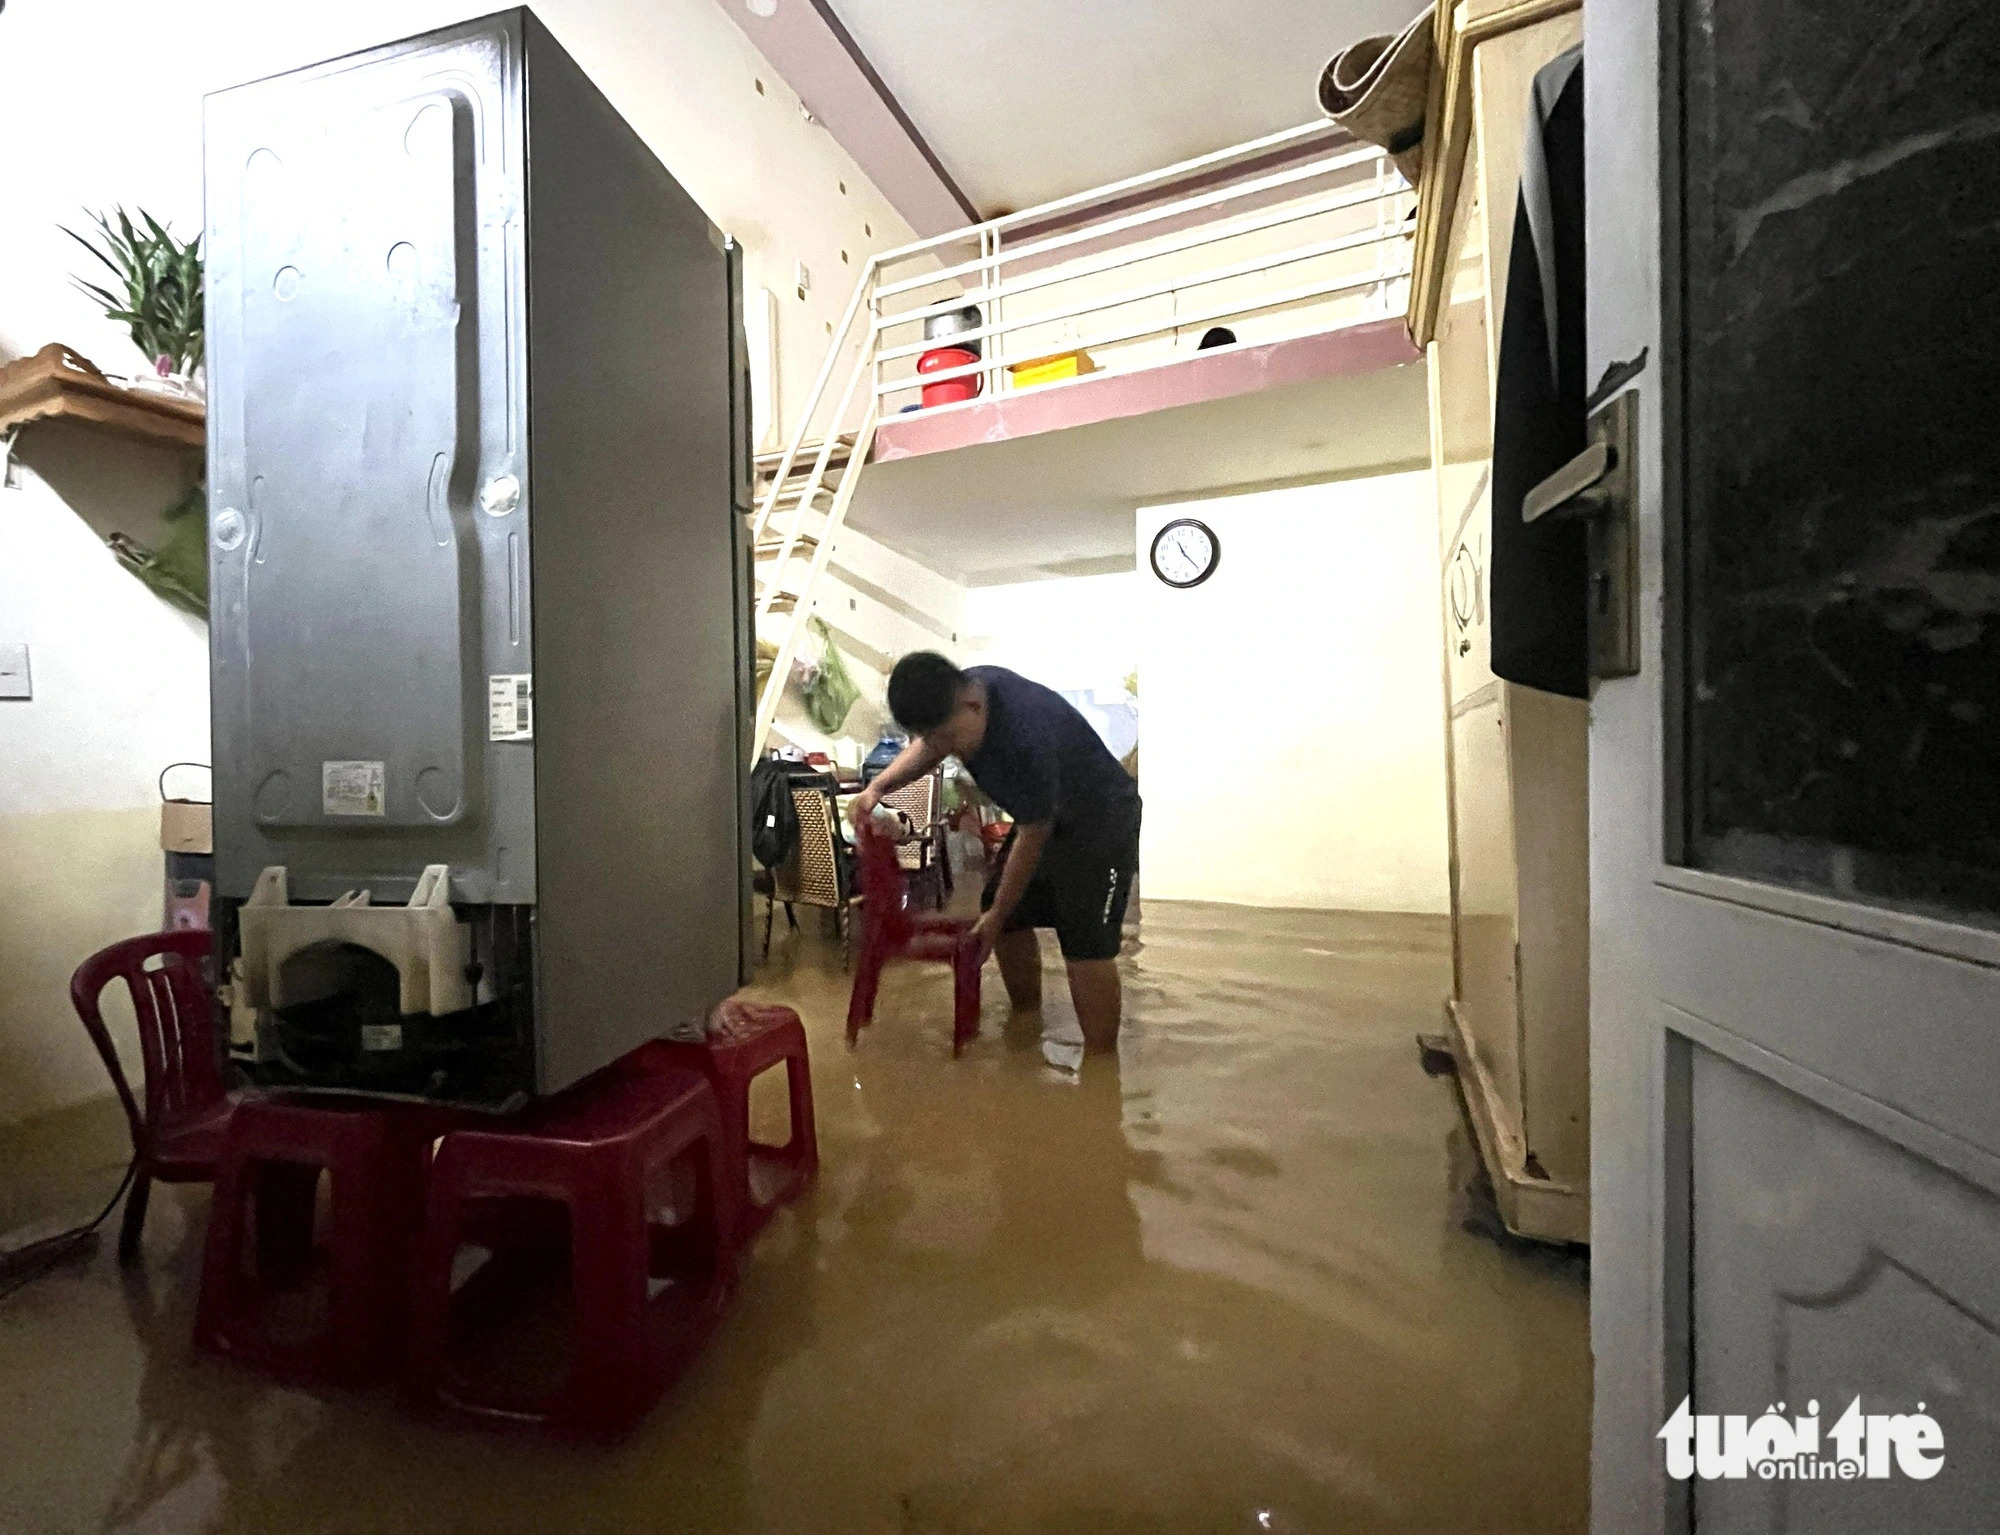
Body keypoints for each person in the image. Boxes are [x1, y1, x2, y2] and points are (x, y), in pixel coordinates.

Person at [849, 653, 1141, 1052]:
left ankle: (1102, 1067)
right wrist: (877, 788)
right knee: (1002, 914)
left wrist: (994, 917)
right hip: (1043, 817)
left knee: (1085, 942)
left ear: (971, 705)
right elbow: (929, 747)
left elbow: (1033, 835)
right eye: (936, 739)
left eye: (951, 739)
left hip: (1099, 819)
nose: (947, 751)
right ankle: (1026, 1023)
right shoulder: (965, 694)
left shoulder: (1025, 735)